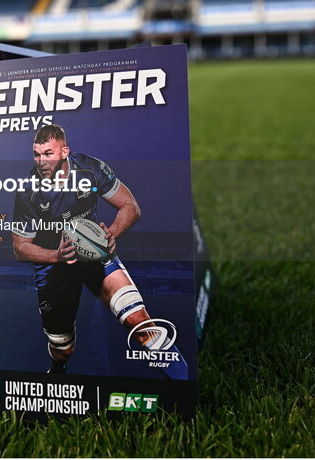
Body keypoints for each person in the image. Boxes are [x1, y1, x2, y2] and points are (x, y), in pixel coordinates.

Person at [11, 124, 187, 378]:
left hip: (94, 253)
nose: (41, 161)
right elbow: (20, 247)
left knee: (140, 320)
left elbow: (130, 205)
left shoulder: (90, 169)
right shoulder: (28, 191)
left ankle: (182, 383)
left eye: (48, 153)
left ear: (64, 152)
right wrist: (55, 256)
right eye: (36, 154)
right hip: (54, 266)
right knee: (63, 347)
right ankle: (58, 369)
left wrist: (113, 232)